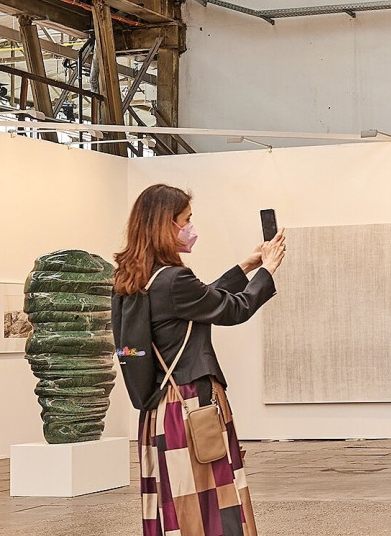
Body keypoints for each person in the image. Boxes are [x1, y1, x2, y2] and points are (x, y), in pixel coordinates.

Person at [112, 184, 285, 536]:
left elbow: (200, 300)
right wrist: (267, 271)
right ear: (166, 224)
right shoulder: (175, 280)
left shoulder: (134, 280)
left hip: (160, 409)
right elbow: (233, 309)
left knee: (177, 506)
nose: (191, 227)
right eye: (186, 220)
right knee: (210, 508)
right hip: (192, 404)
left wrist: (246, 266)